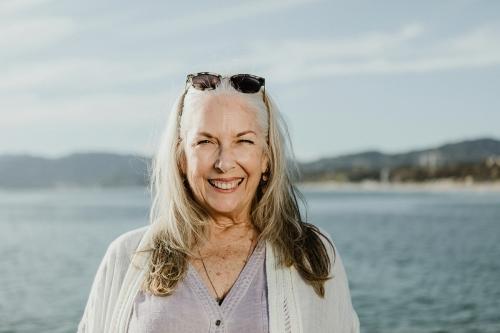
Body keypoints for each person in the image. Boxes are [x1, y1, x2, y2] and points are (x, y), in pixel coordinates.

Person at [78, 72, 360, 332]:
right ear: (181, 158)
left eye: (244, 141)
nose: (224, 163)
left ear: (266, 158)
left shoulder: (312, 255)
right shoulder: (127, 257)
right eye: (205, 141)